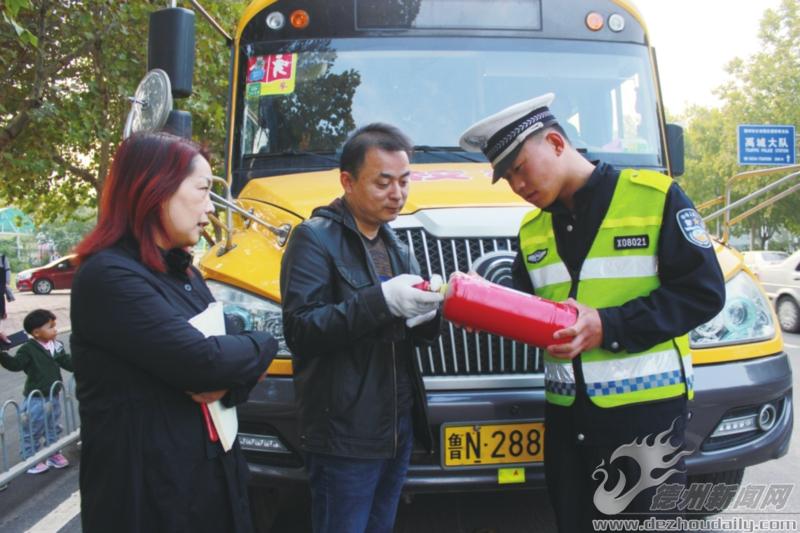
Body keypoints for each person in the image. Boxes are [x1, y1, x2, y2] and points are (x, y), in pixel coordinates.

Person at [459, 93, 725, 531]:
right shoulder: (531, 231)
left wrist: (609, 326)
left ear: (557, 144)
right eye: (507, 178)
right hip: (566, 420)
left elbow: (703, 292)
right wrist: (481, 312)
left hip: (645, 420)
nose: (517, 186)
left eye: (520, 169)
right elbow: (529, 310)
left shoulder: (655, 199)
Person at [70, 132, 278, 533]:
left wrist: (238, 364)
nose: (210, 208)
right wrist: (263, 346)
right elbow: (205, 363)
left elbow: (223, 368)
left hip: (213, 480)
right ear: (156, 191)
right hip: (149, 496)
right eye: (202, 191)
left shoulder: (184, 271)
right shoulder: (109, 277)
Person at [281, 123, 443, 533]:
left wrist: (433, 312)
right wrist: (381, 301)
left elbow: (411, 336)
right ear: (347, 182)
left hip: (396, 426)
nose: (398, 194)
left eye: (405, 182)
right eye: (383, 182)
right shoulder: (313, 239)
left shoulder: (398, 246)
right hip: (345, 431)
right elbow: (301, 330)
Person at [0, 309, 73, 474]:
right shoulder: (28, 349)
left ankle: (52, 452)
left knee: (52, 426)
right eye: (50, 326)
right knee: (33, 427)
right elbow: (16, 364)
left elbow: (67, 362)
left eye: (55, 326)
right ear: (36, 332)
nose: (55, 329)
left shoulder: (56, 345)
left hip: (53, 395)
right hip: (36, 398)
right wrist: (3, 354)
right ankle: (30, 458)